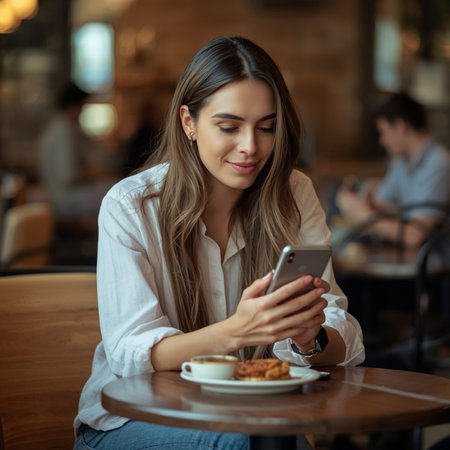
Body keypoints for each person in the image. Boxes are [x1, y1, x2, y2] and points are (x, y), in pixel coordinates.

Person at [73, 36, 365, 450]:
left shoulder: (293, 193)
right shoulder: (131, 206)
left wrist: (309, 338)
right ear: (188, 122)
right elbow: (130, 355)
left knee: (274, 438)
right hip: (130, 422)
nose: (251, 146)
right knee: (253, 441)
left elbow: (342, 335)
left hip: (249, 416)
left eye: (267, 127)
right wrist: (238, 332)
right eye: (228, 126)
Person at [336, 93, 450, 248]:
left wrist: (363, 215)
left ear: (400, 126)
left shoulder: (438, 163)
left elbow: (414, 236)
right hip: (405, 256)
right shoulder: (402, 163)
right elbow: (383, 202)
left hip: (431, 262)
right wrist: (366, 199)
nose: (382, 141)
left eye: (384, 132)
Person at [38, 82, 113, 220]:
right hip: (65, 199)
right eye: (82, 106)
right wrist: (95, 171)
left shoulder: (59, 127)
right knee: (115, 197)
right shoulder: (64, 131)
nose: (82, 111)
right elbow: (68, 176)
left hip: (59, 196)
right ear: (73, 106)